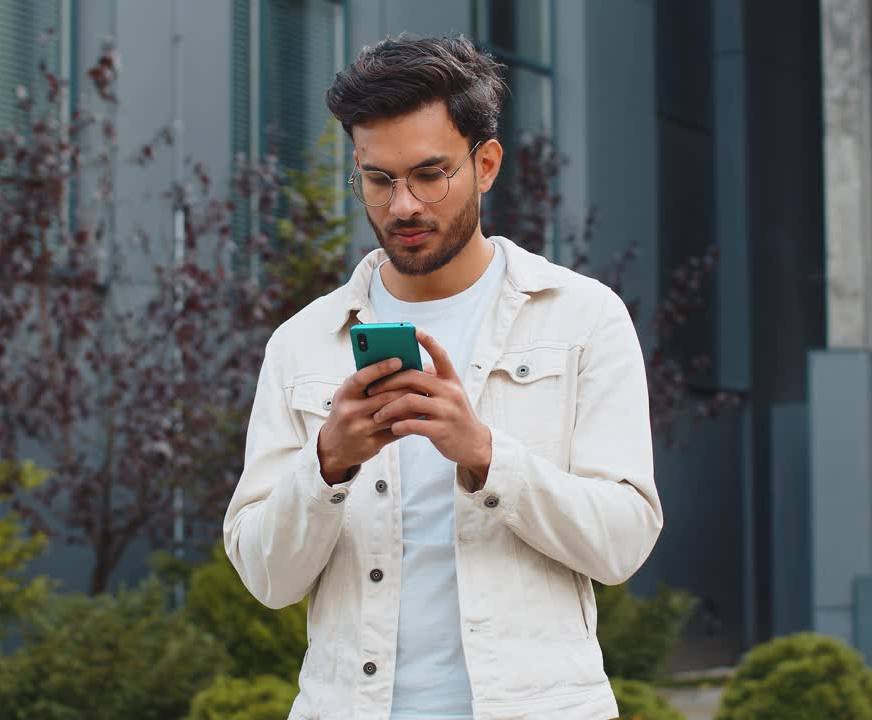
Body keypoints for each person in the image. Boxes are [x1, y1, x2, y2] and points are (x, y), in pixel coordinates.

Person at [223, 34, 663, 720]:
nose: (403, 206)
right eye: (379, 179)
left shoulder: (583, 320)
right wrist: (326, 466)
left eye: (430, 175)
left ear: (485, 164)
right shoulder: (302, 344)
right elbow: (266, 577)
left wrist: (486, 456)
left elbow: (624, 542)